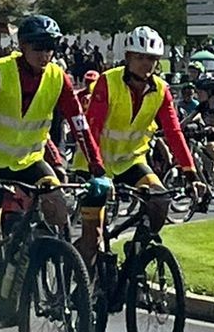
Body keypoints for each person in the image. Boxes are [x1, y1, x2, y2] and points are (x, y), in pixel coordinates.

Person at [0, 15, 108, 332]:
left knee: (58, 208)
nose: (45, 54)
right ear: (22, 47)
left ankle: (62, 281)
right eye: (38, 47)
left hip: (29, 160)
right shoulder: (0, 71)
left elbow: (79, 123)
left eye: (51, 48)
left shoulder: (58, 77)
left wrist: (98, 170)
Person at [79, 25, 198, 269]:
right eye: (140, 57)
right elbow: (93, 129)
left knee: (160, 201)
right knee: (94, 237)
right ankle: (80, 287)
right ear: (128, 58)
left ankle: (136, 252)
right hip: (94, 163)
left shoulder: (161, 90)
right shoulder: (107, 82)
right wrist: (98, 171)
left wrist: (191, 173)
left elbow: (174, 132)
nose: (146, 64)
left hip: (131, 161)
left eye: (152, 59)